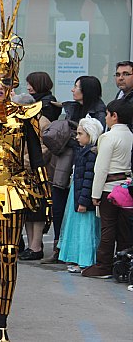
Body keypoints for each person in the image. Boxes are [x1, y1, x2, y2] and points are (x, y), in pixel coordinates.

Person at [43, 75, 106, 264]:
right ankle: (60, 248)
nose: (73, 90)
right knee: (59, 205)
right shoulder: (73, 108)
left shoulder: (99, 113)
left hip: (82, 165)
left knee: (80, 209)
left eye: (76, 87)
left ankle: (78, 253)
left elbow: (94, 140)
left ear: (86, 90)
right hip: (65, 164)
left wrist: (69, 138)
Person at [82, 99, 133, 278]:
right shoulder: (130, 135)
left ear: (114, 116)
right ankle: (123, 264)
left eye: (107, 114)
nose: (105, 118)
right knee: (124, 229)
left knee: (108, 227)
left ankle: (103, 265)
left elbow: (101, 168)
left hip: (109, 189)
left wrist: (95, 194)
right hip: (127, 187)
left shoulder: (108, 136)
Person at [58, 116, 103, 272]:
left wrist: (83, 201)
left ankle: (85, 260)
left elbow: (88, 180)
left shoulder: (90, 154)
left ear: (90, 135)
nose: (77, 137)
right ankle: (79, 258)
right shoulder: (85, 152)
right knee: (79, 228)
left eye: (80, 134)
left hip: (81, 195)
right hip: (77, 194)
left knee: (85, 229)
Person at [13, 93, 52, 261]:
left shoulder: (41, 123)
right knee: (28, 212)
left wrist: (23, 161)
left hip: (38, 174)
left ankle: (36, 246)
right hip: (23, 175)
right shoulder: (21, 121)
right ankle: (30, 246)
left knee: (37, 212)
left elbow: (44, 149)